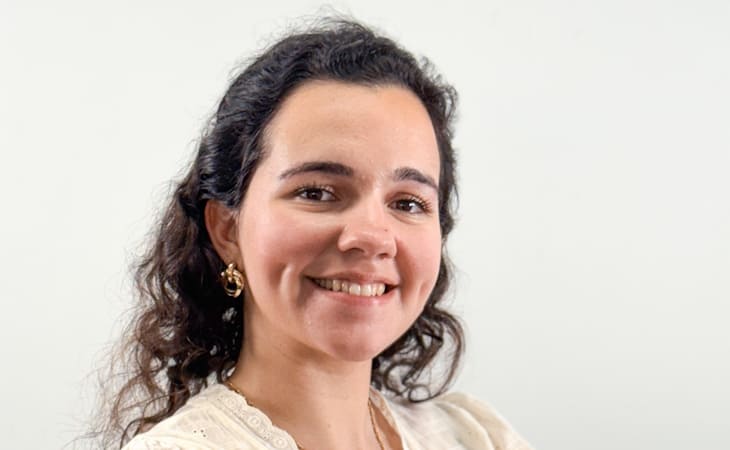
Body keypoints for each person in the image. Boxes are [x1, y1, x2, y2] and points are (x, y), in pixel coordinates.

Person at [98, 18, 532, 450]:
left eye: (407, 203)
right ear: (228, 230)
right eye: (317, 193)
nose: (373, 236)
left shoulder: (474, 437)